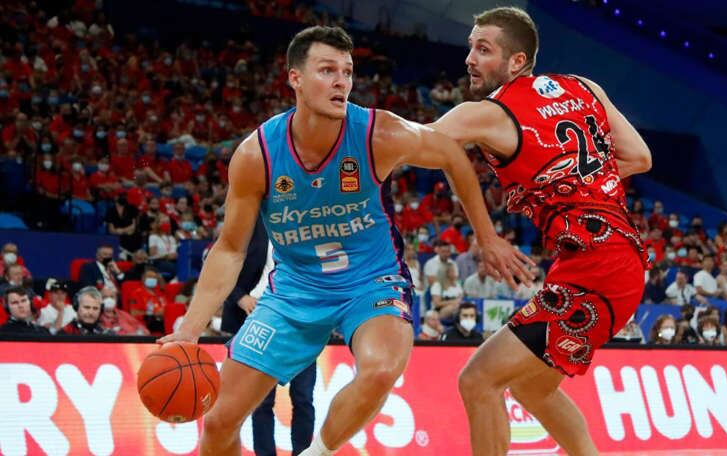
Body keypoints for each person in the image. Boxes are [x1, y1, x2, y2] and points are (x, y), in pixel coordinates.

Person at [159, 25, 530, 456]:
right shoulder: (257, 155)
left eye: (347, 72)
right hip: (296, 288)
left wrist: (486, 236)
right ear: (295, 78)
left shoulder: (378, 133)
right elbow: (230, 248)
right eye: (327, 70)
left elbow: (451, 154)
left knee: (381, 368)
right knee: (219, 421)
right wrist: (189, 329)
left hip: (371, 282)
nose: (341, 82)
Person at [429, 7, 651, 454]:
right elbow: (640, 157)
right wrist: (569, 182)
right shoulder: (584, 87)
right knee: (533, 387)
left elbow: (415, 141)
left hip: (597, 268)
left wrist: (488, 234)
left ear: (517, 61)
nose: (469, 58)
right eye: (471, 47)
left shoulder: (488, 113)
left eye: (483, 49)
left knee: (478, 380)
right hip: (620, 258)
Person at [220, 217, 316, 456]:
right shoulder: (251, 225)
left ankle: (303, 452)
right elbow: (220, 264)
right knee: (261, 401)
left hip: (302, 320)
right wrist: (241, 298)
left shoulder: (312, 227)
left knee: (303, 398)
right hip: (259, 319)